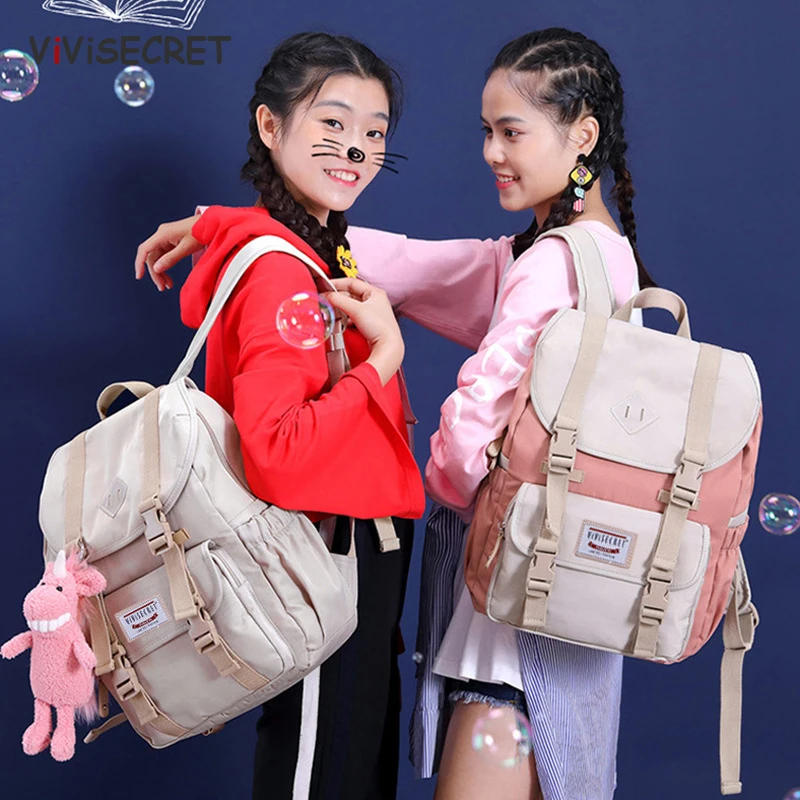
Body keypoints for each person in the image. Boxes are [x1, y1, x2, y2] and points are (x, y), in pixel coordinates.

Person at [135, 28, 654, 800]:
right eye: (487, 131)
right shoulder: (605, 255)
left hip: (509, 588)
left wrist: (426, 478)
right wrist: (224, 223)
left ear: (582, 136)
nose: (491, 152)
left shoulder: (550, 262)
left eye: (511, 132)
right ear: (271, 126)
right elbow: (410, 262)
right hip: (577, 590)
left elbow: (468, 429)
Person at [159, 31, 429, 800]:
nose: (357, 149)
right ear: (270, 125)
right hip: (321, 554)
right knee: (320, 775)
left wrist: (214, 222)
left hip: (353, 553)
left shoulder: (315, 249)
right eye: (333, 123)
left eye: (374, 132)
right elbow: (275, 451)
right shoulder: (284, 273)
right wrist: (382, 360)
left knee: (352, 767)